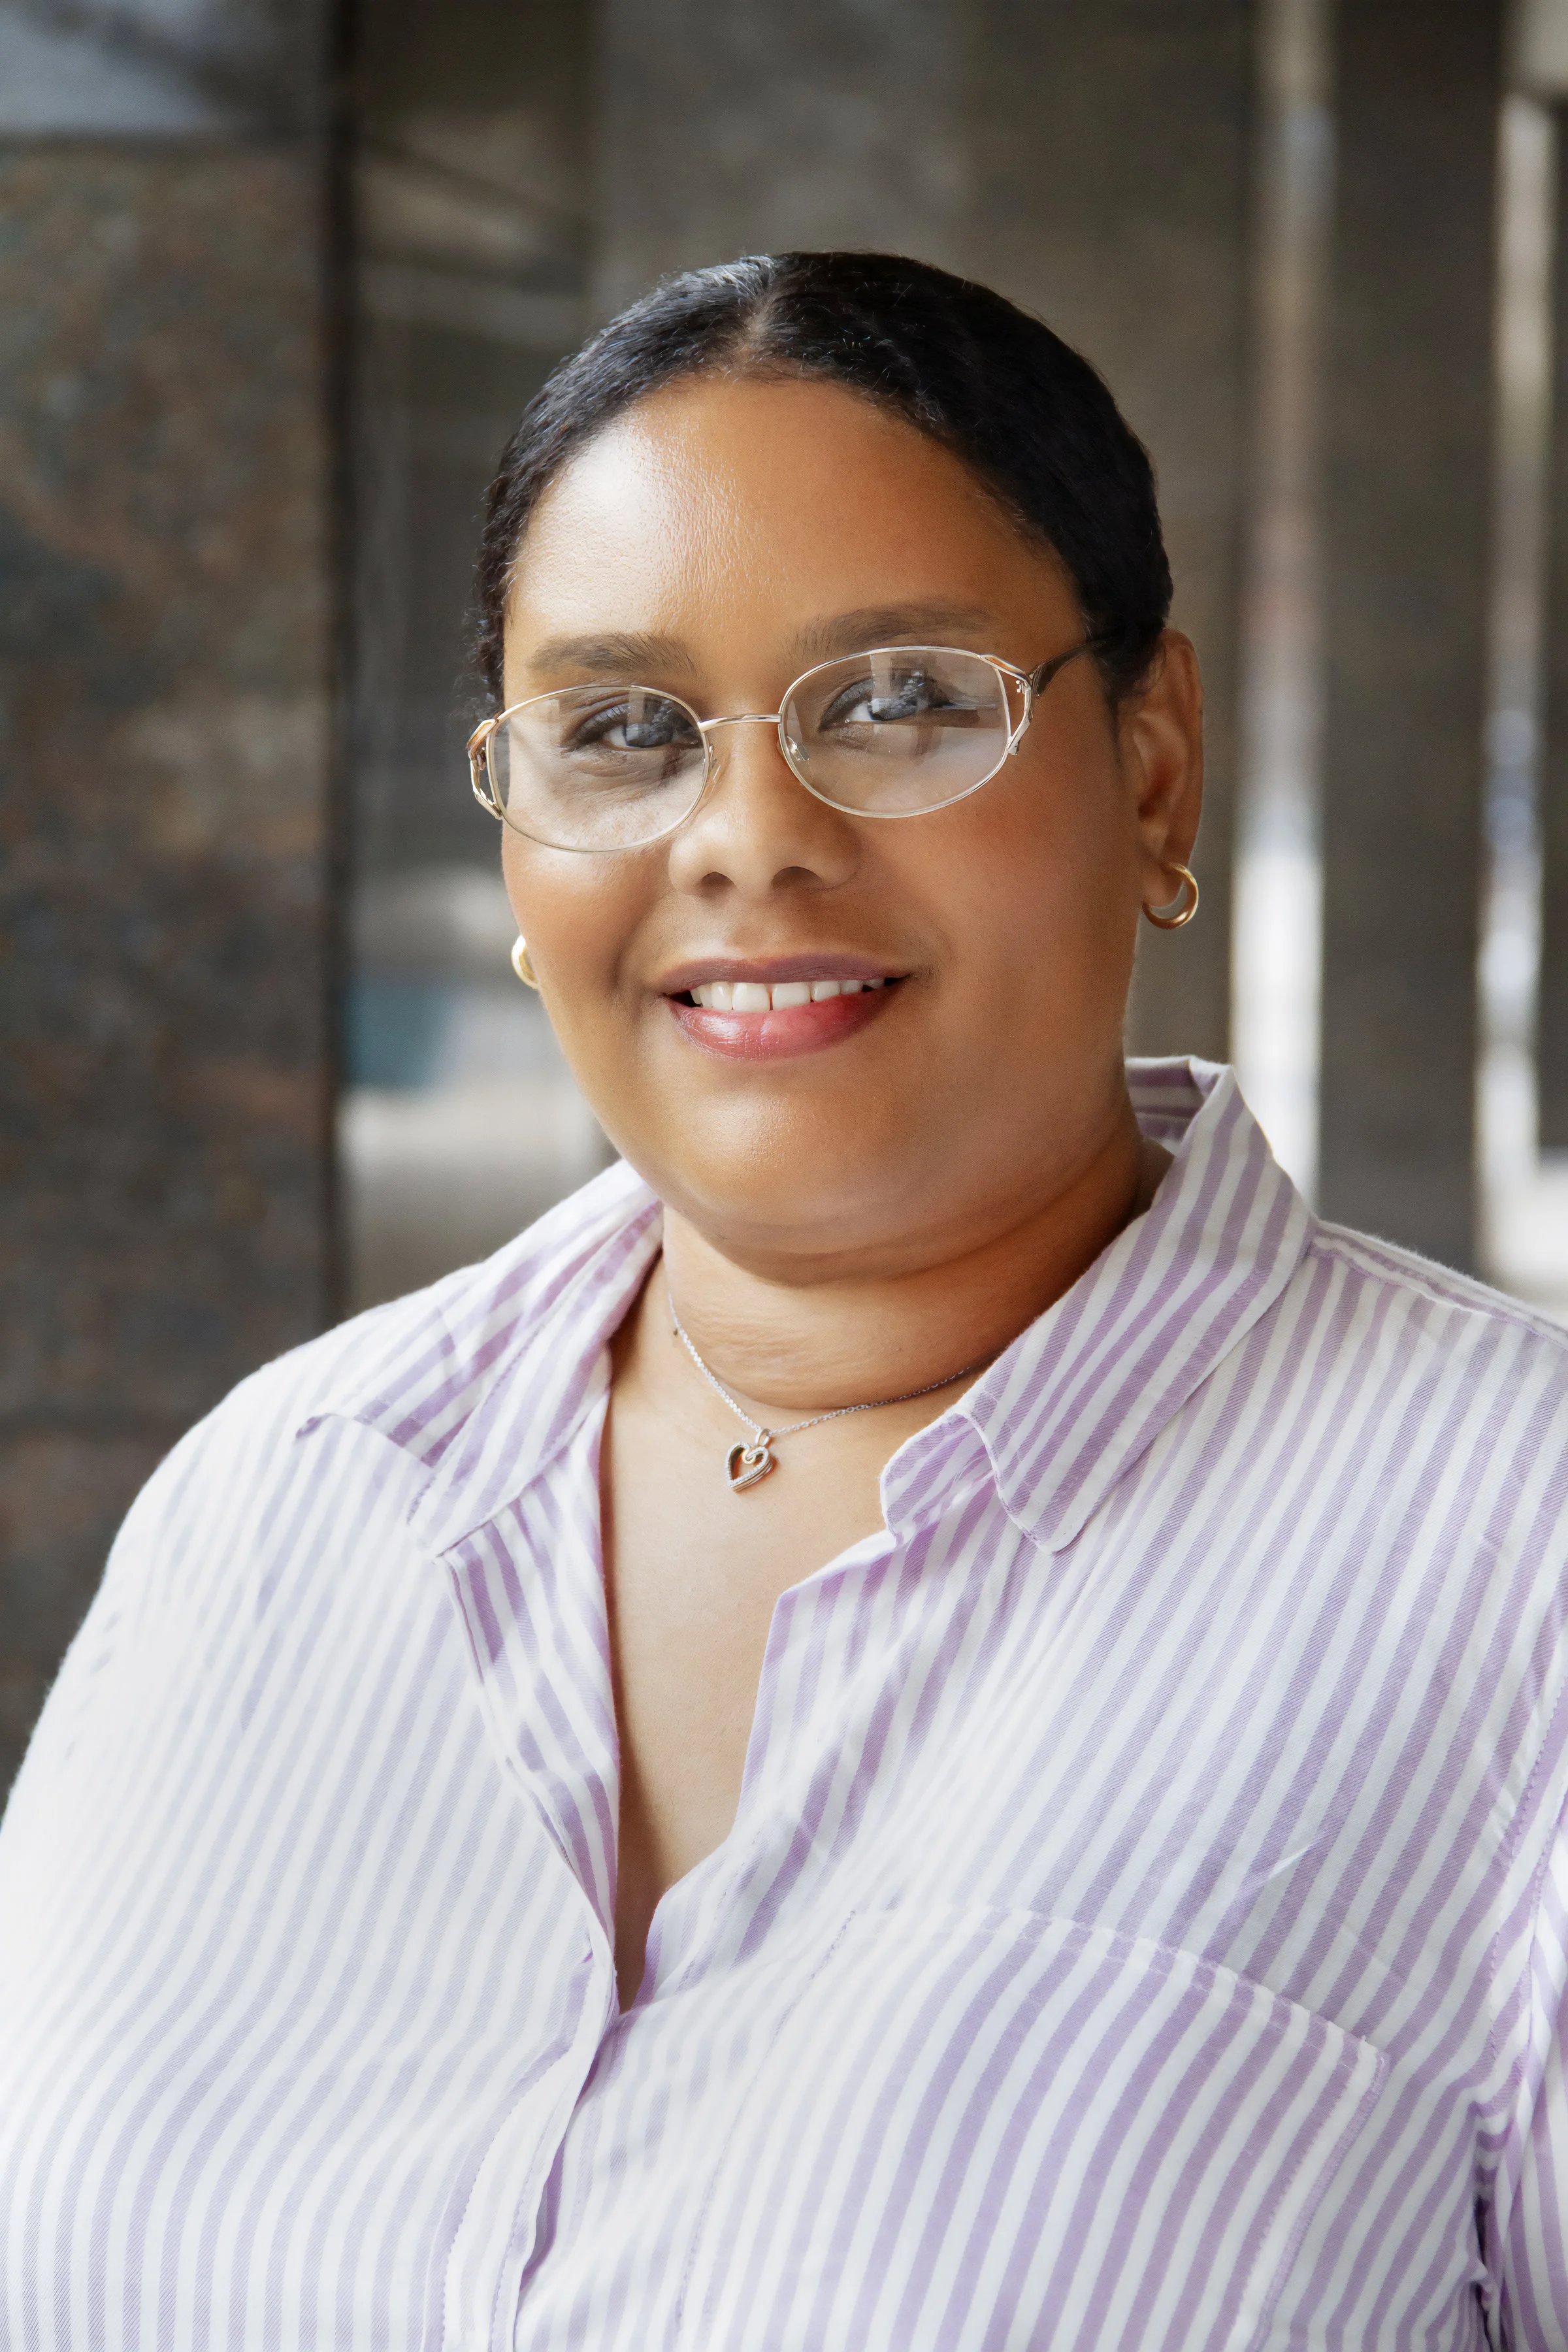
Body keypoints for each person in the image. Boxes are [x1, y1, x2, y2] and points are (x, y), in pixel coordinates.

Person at [3, 250, 1568, 2352]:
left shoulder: (1510, 1570)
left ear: (1157, 767)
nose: (746, 837)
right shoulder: (280, 1505)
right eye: (622, 729)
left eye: (903, 701)